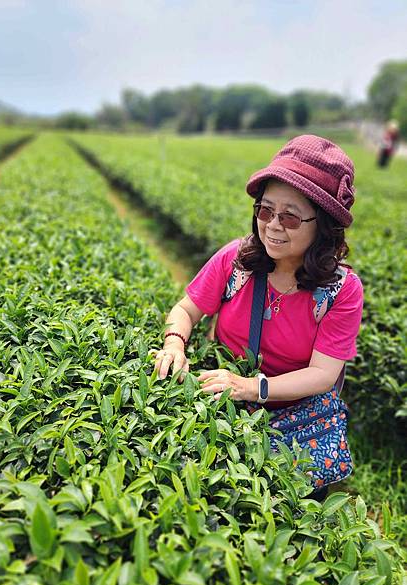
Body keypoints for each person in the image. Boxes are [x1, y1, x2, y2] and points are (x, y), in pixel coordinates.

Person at [154, 135, 364, 501]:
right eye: (265, 210)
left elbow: (323, 374)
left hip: (297, 426)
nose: (272, 225)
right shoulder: (236, 260)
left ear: (324, 225)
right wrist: (175, 342)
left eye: (291, 216)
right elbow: (186, 309)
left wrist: (252, 387)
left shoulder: (341, 290)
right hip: (226, 408)